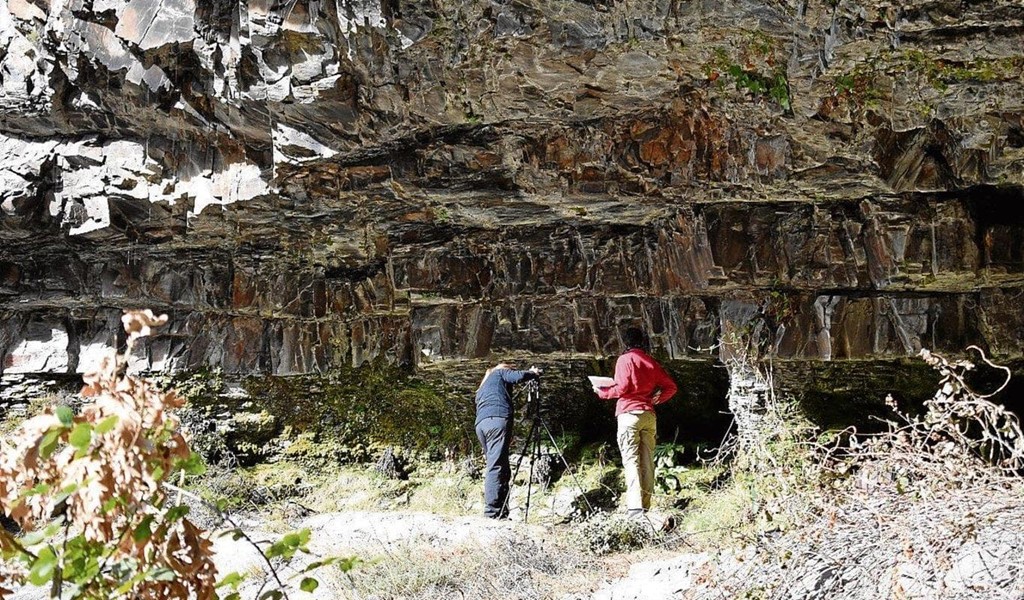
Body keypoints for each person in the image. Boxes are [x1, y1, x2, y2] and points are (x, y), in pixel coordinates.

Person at [593, 327, 677, 516]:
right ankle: (646, 506)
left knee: (631, 460)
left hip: (628, 414)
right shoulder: (650, 361)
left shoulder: (625, 360)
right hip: (648, 415)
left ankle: (635, 508)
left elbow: (622, 387)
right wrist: (658, 399)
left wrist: (603, 393)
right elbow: (671, 387)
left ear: (625, 343)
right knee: (647, 461)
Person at [474, 362, 540, 519]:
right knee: (497, 466)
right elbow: (518, 377)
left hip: (482, 424)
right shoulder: (499, 373)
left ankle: (500, 510)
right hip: (497, 420)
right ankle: (492, 513)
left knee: (498, 465)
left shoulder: (482, 389)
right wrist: (533, 372)